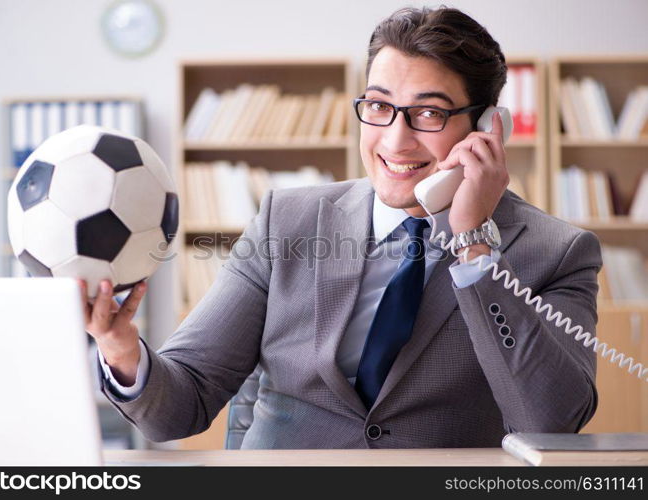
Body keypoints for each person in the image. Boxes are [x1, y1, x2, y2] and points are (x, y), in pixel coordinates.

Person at [82, 6, 601, 448]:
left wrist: (473, 245)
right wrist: (121, 345)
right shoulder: (284, 222)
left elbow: (550, 423)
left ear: (489, 129)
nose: (395, 141)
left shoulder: (557, 252)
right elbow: (180, 407)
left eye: (429, 114)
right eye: (379, 107)